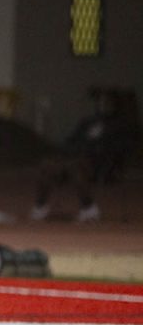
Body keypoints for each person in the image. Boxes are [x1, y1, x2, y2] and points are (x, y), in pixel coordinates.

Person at [30, 87, 141, 224]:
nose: (104, 105)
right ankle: (41, 206)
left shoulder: (120, 125)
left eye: (107, 102)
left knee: (76, 166)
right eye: (101, 101)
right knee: (47, 165)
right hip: (76, 159)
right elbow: (71, 140)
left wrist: (100, 152)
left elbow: (121, 148)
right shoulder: (88, 122)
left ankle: (89, 208)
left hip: (102, 165)